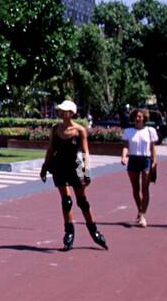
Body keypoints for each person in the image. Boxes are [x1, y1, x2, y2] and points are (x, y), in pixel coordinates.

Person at [40, 100, 108, 251]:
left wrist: (87, 171)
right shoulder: (55, 129)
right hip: (59, 166)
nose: (61, 113)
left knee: (82, 201)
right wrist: (45, 166)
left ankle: (94, 231)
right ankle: (69, 232)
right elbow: (51, 148)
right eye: (61, 110)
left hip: (74, 167)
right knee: (66, 200)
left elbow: (85, 152)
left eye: (65, 111)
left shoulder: (79, 130)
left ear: (71, 113)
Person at [120, 108, 159, 227]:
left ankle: (142, 215)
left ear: (144, 118)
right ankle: (139, 210)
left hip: (146, 159)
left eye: (140, 116)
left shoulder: (150, 130)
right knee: (135, 188)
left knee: (145, 188)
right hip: (133, 159)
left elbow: (152, 147)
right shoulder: (128, 131)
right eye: (136, 116)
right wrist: (123, 157)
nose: (138, 118)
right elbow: (126, 146)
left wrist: (155, 161)